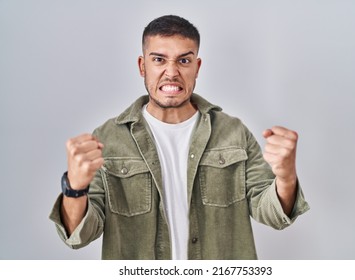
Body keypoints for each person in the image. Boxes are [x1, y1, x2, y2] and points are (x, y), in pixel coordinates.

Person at [50, 15, 309, 260]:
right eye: (159, 60)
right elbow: (80, 235)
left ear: (197, 67)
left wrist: (286, 177)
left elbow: (274, 216)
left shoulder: (233, 132)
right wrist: (75, 187)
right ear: (143, 66)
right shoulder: (108, 138)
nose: (172, 72)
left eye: (183, 61)